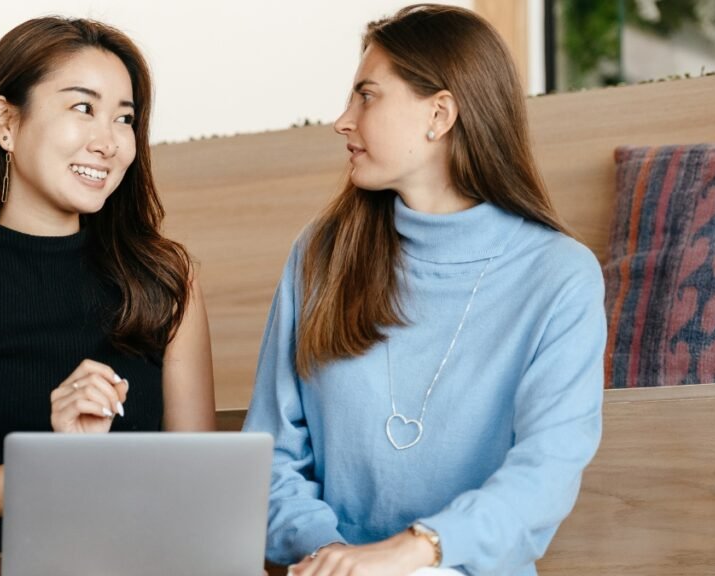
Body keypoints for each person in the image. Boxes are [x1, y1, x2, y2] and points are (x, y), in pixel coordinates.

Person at [243, 5, 606, 576]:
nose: (343, 119)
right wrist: (333, 559)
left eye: (366, 96)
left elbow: (545, 473)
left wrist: (417, 551)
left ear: (440, 114)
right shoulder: (320, 254)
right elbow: (269, 457)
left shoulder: (560, 276)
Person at [0, 17, 215, 575]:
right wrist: (53, 462)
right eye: (82, 108)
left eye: (124, 119)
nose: (108, 142)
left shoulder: (166, 279)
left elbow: (199, 484)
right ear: (6, 122)